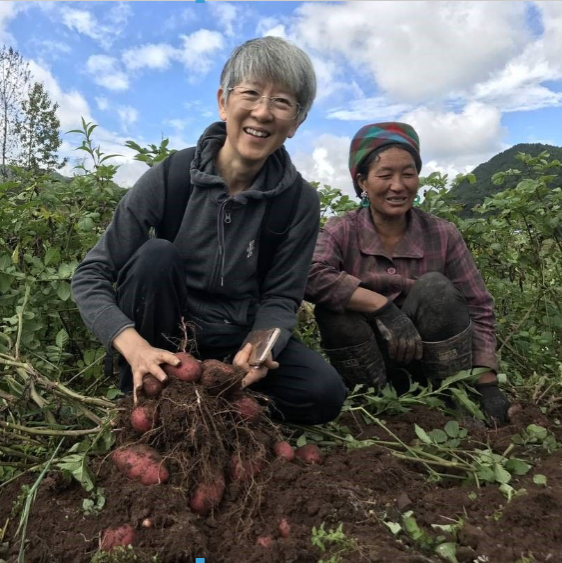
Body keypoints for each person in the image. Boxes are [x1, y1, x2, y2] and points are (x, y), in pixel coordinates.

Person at [71, 36, 346, 425]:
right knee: (155, 255)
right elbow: (91, 274)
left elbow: (282, 298)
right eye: (250, 93)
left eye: (282, 102)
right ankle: (147, 388)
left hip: (237, 336)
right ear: (223, 101)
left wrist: (260, 346)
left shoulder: (297, 201)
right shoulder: (172, 176)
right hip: (165, 338)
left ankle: (216, 405)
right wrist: (132, 346)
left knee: (322, 394)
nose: (263, 112)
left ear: (296, 122)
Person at [305, 122, 511, 425]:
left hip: (432, 361)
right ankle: (373, 402)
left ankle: (449, 396)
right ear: (362, 181)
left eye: (408, 173)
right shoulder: (341, 231)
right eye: (385, 175)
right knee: (335, 307)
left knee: (435, 289)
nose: (398, 185)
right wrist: (383, 307)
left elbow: (479, 305)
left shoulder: (442, 234)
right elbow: (309, 275)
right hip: (370, 361)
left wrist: (487, 382)